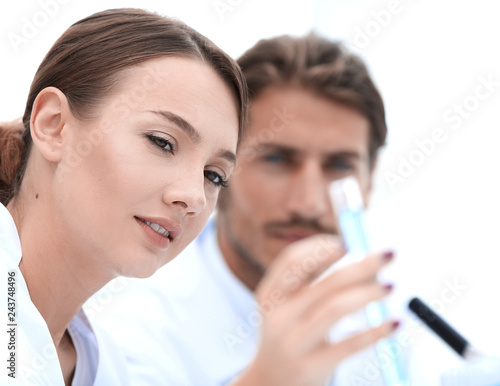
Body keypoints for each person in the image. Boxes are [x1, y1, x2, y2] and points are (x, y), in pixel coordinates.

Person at [96, 33, 400, 385]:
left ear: (370, 181)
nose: (309, 203)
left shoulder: (386, 321)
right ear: (219, 169)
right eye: (276, 159)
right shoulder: (129, 342)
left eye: (339, 166)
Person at [0, 7, 247, 385]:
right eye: (162, 142)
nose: (194, 197)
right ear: (54, 126)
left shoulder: (100, 364)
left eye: (214, 176)